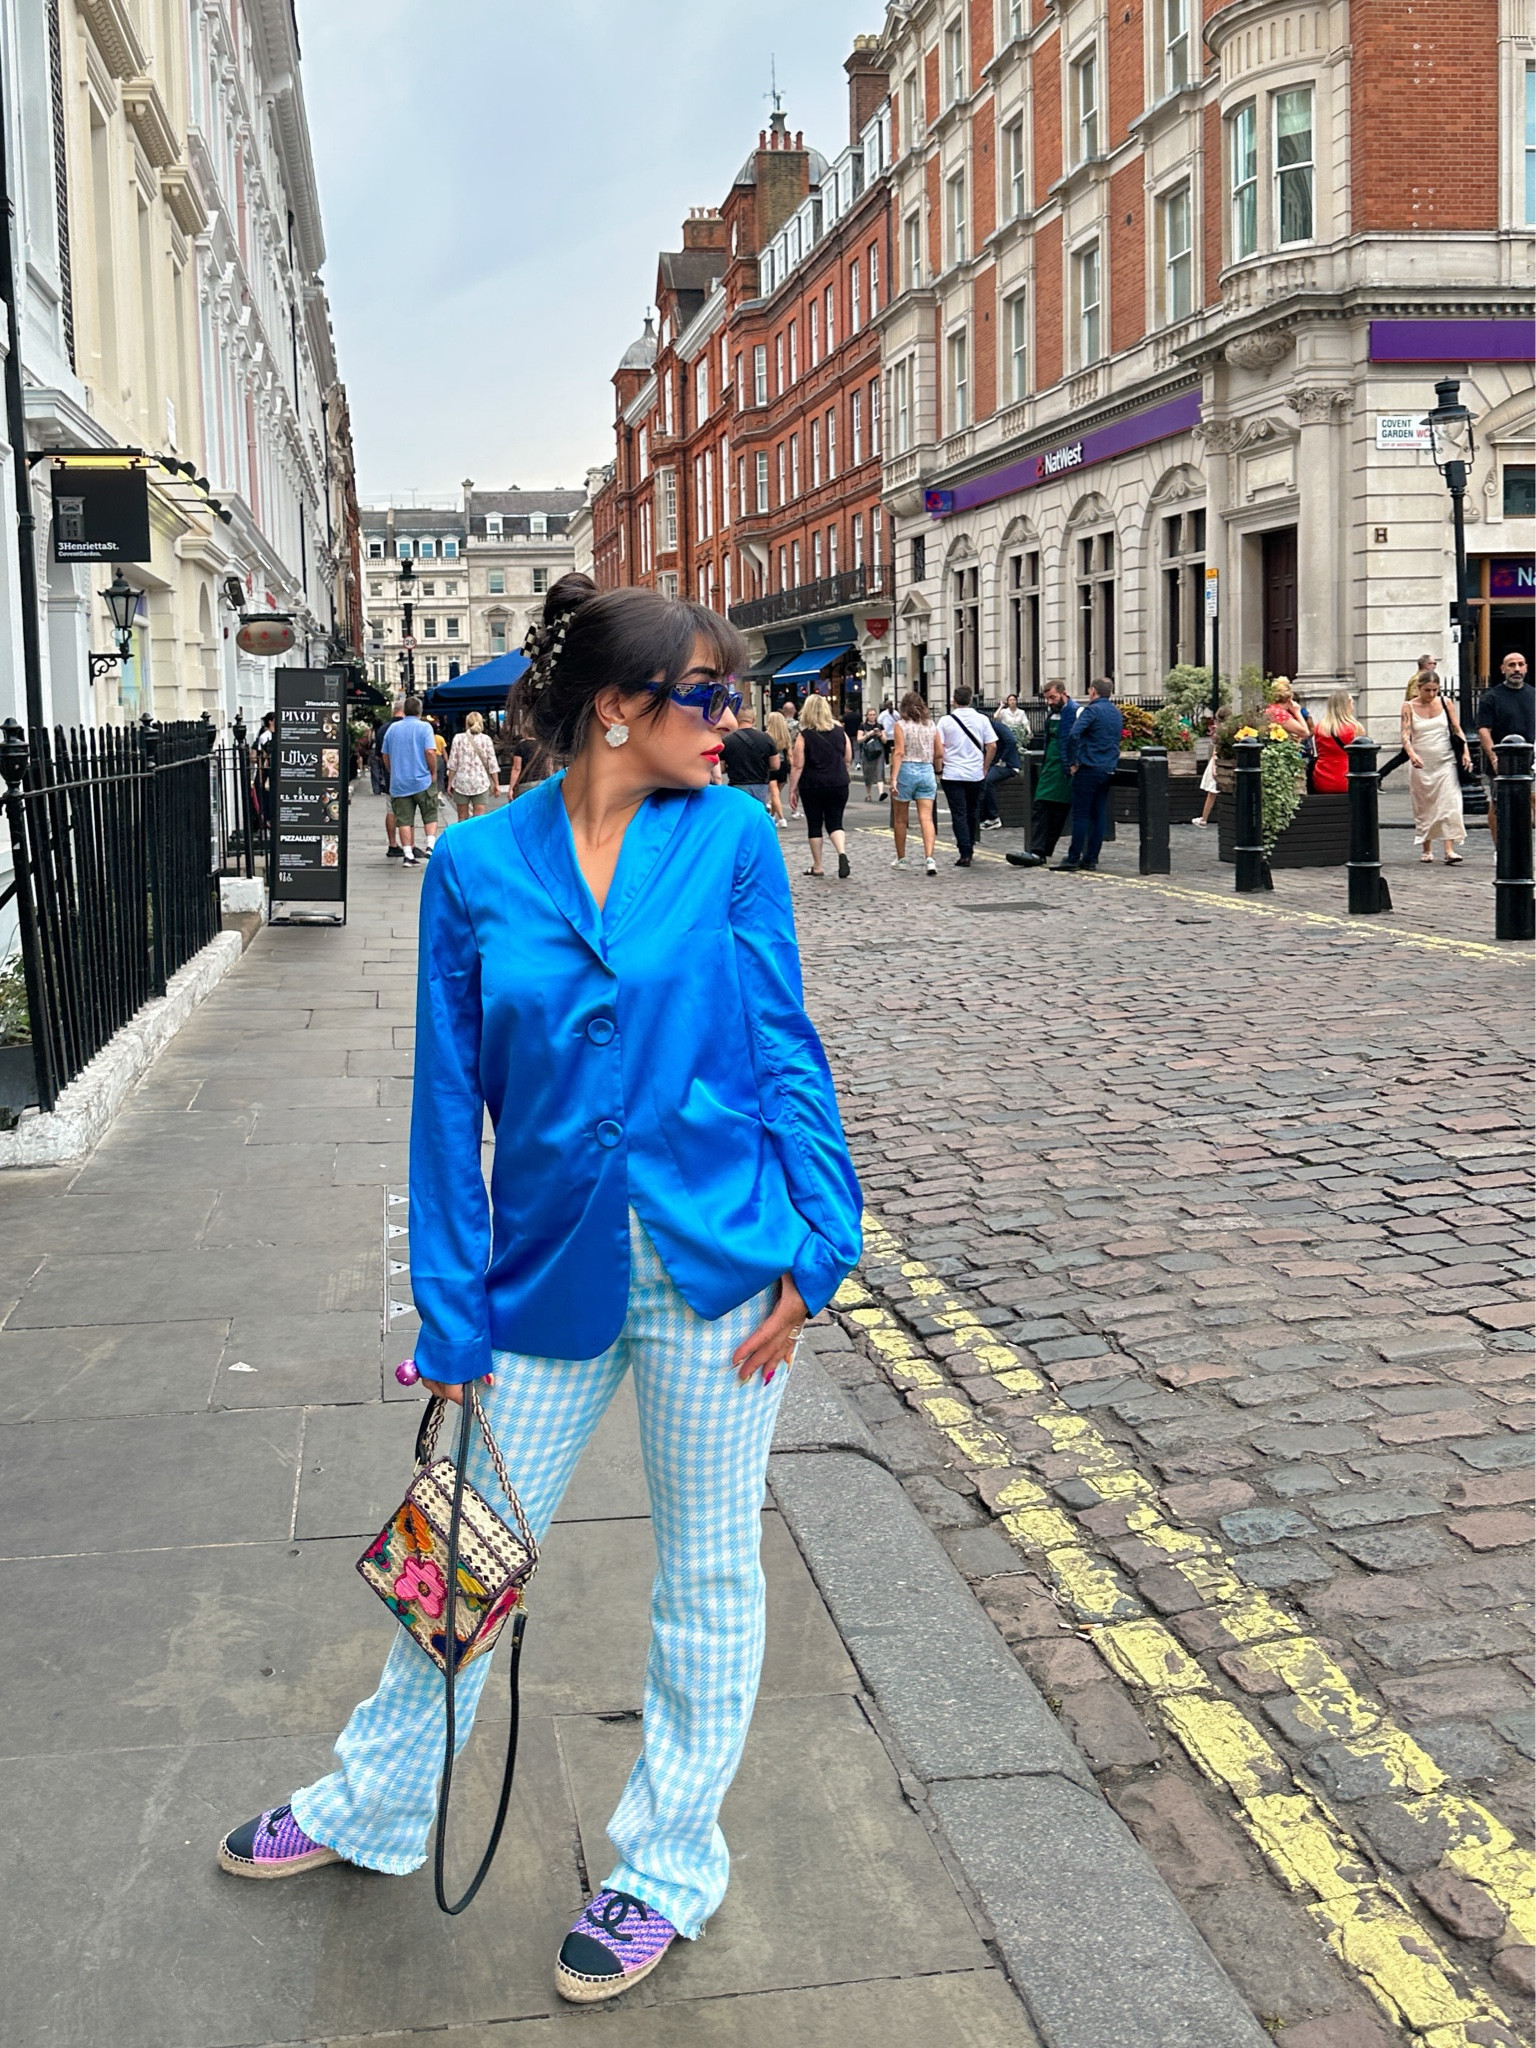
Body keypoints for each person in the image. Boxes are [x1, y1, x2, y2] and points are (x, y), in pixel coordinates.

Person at [215, 584, 863, 2008]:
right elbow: (448, 1109)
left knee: (708, 1575)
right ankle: (375, 1804)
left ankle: (666, 1866)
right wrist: (450, 1317)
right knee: (460, 1558)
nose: (734, 722)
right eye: (709, 696)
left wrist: (822, 1247)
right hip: (544, 1274)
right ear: (618, 710)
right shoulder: (475, 867)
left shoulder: (737, 840)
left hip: (720, 1269)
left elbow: (780, 1046)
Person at [1401, 669, 1471, 863]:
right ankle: (1427, 847)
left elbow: (1457, 729)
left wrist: (1465, 752)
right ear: (1419, 688)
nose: (1431, 694)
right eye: (1427, 690)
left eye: (1435, 690)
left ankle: (1449, 849)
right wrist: (1412, 754)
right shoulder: (1408, 707)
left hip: (1445, 759)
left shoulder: (1445, 703)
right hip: (1422, 763)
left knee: (1450, 804)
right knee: (1425, 807)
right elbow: (1405, 735)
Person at [1054, 677, 1123, 872]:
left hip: (1088, 767)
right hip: (1107, 768)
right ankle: (1091, 858)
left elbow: (1074, 734)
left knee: (1081, 815)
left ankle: (1073, 857)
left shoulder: (1091, 710)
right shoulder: (1116, 713)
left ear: (1092, 691)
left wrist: (1073, 762)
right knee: (1099, 814)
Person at [1006, 681, 1076, 866]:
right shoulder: (1052, 714)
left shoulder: (1075, 712)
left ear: (1063, 693)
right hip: (1049, 767)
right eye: (1047, 698)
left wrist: (1074, 763)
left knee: (1058, 812)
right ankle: (1036, 851)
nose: (1050, 702)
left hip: (1065, 768)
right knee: (1040, 807)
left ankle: (1042, 851)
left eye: (1052, 697)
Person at [787, 692, 853, 878]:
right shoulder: (841, 731)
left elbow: (798, 765)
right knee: (835, 822)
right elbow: (847, 758)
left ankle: (818, 866)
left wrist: (793, 789)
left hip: (813, 785)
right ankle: (841, 852)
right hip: (839, 783)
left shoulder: (804, 736)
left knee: (815, 824)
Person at [1477, 650, 1534, 847]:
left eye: (1520, 664)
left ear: (1526, 668)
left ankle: (1524, 845)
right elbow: (1484, 729)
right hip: (1502, 760)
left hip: (1530, 758)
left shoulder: (1533, 695)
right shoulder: (1491, 697)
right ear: (1503, 669)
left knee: (1532, 798)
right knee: (1498, 803)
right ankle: (1499, 848)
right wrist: (1494, 758)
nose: (1516, 669)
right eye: (1511, 665)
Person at [935, 687, 997, 867]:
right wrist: (985, 767)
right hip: (975, 774)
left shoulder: (946, 721)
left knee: (959, 813)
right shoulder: (982, 719)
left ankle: (965, 852)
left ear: (954, 700)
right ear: (971, 700)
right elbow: (992, 746)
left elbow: (939, 749)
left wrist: (939, 771)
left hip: (952, 773)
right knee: (972, 811)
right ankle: (970, 845)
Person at [380, 696, 440, 864]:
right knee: (430, 813)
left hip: (399, 783)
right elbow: (429, 752)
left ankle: (408, 855)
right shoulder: (424, 727)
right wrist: (433, 771)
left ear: (405, 710)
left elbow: (385, 755)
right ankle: (430, 846)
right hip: (422, 781)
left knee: (404, 819)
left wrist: (393, 770)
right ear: (420, 711)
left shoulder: (392, 729)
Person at [888, 692, 941, 876]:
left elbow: (899, 752)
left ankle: (902, 858)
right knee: (926, 818)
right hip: (927, 770)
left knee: (901, 819)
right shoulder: (931, 725)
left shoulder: (900, 725)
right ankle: (930, 858)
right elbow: (939, 752)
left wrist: (893, 778)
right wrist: (938, 769)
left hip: (907, 770)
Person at [446, 711, 503, 822]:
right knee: (478, 818)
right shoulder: (486, 739)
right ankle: (475, 838)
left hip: (461, 783)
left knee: (462, 818)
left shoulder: (458, 738)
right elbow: (492, 764)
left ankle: (463, 839)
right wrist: (496, 784)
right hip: (480, 783)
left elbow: (452, 763)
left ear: (467, 723)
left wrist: (449, 783)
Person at [720, 703, 780, 807]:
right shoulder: (766, 738)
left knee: (741, 814)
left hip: (737, 784)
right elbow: (775, 765)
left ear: (736, 719)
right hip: (760, 784)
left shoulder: (727, 741)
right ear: (753, 719)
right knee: (758, 814)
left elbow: (721, 768)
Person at [1311, 690, 1363, 796]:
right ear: (1347, 705)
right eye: (1352, 703)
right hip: (1347, 779)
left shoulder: (1320, 728)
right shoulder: (1355, 728)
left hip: (1322, 779)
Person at [978, 706, 1020, 829]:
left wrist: (1002, 759)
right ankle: (981, 817)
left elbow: (1011, 741)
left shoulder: (997, 727)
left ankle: (994, 818)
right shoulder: (983, 731)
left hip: (1009, 766)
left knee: (988, 781)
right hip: (995, 765)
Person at [371, 710, 402, 858]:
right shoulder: (411, 727)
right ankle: (410, 846)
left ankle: (393, 844)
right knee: (407, 813)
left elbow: (379, 755)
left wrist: (388, 770)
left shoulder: (383, 729)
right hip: (411, 779)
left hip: (391, 778)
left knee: (391, 811)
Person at [764, 710, 794, 826]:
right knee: (776, 794)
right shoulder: (785, 736)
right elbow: (790, 754)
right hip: (783, 766)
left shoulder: (766, 736)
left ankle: (782, 819)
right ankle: (772, 816)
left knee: (774, 794)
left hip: (771, 766)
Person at [857, 707, 887, 802]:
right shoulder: (862, 726)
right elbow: (859, 739)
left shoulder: (880, 726)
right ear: (867, 716)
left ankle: (881, 793)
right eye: (870, 715)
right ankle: (868, 794)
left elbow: (885, 741)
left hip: (878, 751)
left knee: (879, 771)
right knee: (868, 773)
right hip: (867, 752)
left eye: (874, 714)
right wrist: (868, 734)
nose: (872, 716)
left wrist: (880, 734)